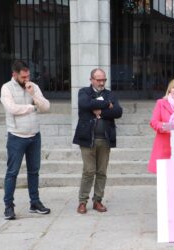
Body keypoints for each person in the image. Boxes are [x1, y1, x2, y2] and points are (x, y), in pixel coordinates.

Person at [0, 60, 51, 220]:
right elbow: (12, 109)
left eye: (28, 75)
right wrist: (32, 108)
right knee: (12, 173)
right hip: (16, 136)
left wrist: (33, 95)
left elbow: (46, 107)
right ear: (14, 75)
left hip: (34, 135)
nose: (26, 79)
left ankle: (34, 203)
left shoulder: (33, 87)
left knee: (34, 172)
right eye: (23, 76)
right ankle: (9, 206)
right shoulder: (6, 88)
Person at [73, 68, 122, 214]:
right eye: (98, 80)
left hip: (105, 139)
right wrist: (107, 104)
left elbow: (118, 112)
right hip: (87, 139)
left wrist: (100, 110)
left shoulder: (110, 94)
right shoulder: (84, 92)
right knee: (89, 170)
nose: (101, 83)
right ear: (91, 80)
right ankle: (82, 201)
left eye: (104, 80)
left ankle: (98, 200)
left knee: (101, 172)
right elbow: (85, 104)